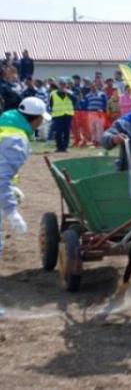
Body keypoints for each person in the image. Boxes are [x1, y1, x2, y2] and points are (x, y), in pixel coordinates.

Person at [0, 97, 52, 270]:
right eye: (41, 119)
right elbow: (1, 177)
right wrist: (12, 211)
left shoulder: (4, 126)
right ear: (35, 119)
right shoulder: (17, 140)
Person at [48, 80, 76, 153]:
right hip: (57, 115)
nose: (62, 86)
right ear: (58, 85)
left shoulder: (70, 93)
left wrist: (68, 93)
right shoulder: (53, 93)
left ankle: (65, 147)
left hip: (67, 114)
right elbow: (51, 104)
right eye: (61, 84)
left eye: (64, 84)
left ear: (66, 85)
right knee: (58, 132)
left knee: (66, 132)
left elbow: (75, 101)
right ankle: (59, 147)